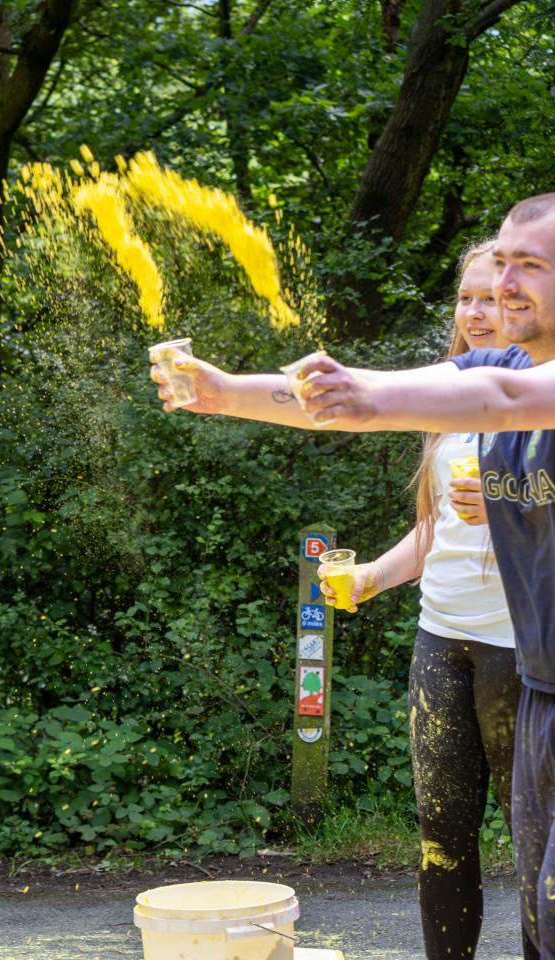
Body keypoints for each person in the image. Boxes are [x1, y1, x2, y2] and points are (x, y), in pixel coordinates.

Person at [150, 193, 555, 955]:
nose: (503, 284)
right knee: (541, 901)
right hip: (541, 687)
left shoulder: (514, 383)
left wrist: (368, 400)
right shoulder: (500, 360)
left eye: (529, 266)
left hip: (529, 674)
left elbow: (498, 402)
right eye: (500, 261)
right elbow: (380, 388)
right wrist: (226, 392)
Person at [318, 241, 534, 960]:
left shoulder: (542, 391)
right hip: (441, 642)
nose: (480, 312)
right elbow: (436, 525)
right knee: (441, 839)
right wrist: (374, 575)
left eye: (495, 297)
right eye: (467, 298)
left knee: (538, 849)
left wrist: (512, 501)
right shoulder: (446, 401)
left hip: (527, 653)